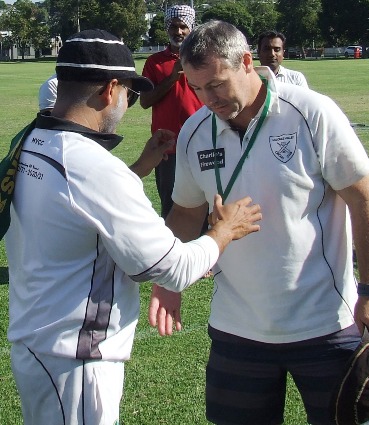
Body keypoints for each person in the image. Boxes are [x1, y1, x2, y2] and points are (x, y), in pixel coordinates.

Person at [4, 28, 261, 425]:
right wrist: (222, 233)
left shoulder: (32, 139)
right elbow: (171, 267)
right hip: (78, 358)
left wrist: (141, 166)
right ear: (110, 90)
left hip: (38, 341)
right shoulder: (94, 167)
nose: (128, 103)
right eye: (129, 92)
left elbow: (74, 203)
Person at [149, 20, 369, 425]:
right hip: (237, 329)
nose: (206, 99)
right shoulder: (195, 130)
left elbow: (364, 201)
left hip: (325, 325)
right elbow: (186, 213)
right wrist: (167, 281)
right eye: (195, 88)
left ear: (247, 62)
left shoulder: (311, 112)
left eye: (216, 85)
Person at [140, 5, 202, 219]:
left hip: (203, 143)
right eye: (174, 27)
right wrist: (172, 78)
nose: (178, 32)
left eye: (183, 26)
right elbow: (145, 101)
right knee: (172, 205)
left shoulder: (203, 58)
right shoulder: (154, 62)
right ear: (167, 28)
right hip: (169, 148)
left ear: (191, 27)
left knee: (208, 202)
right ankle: (173, 251)